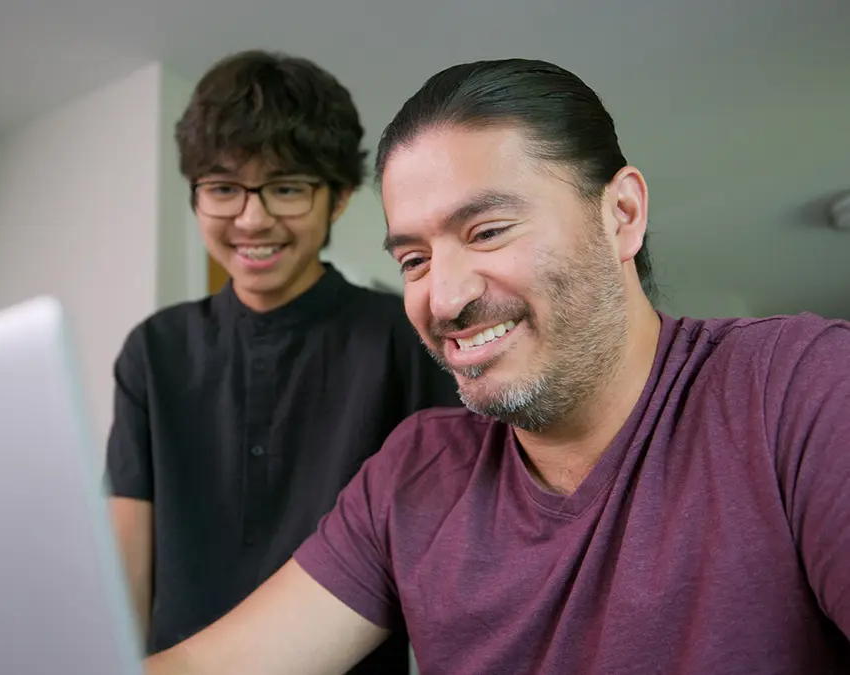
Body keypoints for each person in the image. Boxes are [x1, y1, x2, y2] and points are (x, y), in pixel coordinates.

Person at [142, 58, 850, 675]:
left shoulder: (797, 385)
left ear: (622, 214)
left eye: (486, 231)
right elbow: (217, 663)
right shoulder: (412, 474)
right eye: (413, 259)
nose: (442, 298)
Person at [104, 50, 460, 674]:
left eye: (286, 188)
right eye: (222, 189)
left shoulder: (403, 339)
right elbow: (125, 565)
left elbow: (448, 558)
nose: (252, 218)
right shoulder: (153, 351)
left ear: (340, 197)